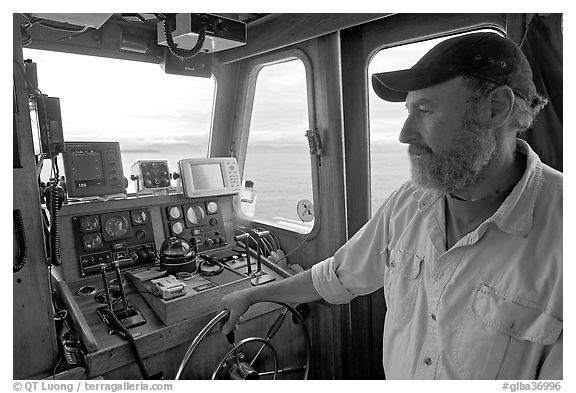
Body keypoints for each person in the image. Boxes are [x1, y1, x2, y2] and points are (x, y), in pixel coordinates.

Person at [219, 32, 562, 379]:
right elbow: (338, 276)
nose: (404, 133)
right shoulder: (410, 202)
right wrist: (253, 295)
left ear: (495, 108)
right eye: (408, 111)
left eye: (425, 110)